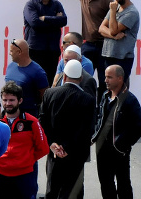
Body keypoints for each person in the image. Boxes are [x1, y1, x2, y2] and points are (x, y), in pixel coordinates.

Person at [40, 60, 95, 199]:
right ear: (81, 79)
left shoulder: (49, 94)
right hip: (76, 155)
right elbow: (86, 130)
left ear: (63, 77)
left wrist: (53, 144)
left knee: (52, 189)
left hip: (54, 153)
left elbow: (42, 122)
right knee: (72, 191)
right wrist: (67, 147)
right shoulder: (87, 99)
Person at [92, 65, 141, 199]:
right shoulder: (105, 95)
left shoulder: (130, 100)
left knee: (123, 184)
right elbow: (99, 118)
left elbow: (139, 128)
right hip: (102, 148)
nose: (105, 80)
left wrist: (122, 145)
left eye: (110, 77)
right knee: (105, 183)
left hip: (119, 151)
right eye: (105, 76)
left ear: (120, 78)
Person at [52, 0, 109, 95]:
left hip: (104, 45)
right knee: (82, 80)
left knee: (105, 81)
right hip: (88, 44)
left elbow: (117, 14)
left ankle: (101, 110)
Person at [0, 81, 49, 199]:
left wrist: (26, 159)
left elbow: (43, 148)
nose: (8, 103)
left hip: (25, 176)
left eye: (11, 100)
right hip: (0, 175)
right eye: (5, 100)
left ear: (20, 101)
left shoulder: (32, 121)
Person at [23, 0, 67, 83]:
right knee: (34, 82)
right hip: (35, 50)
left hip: (52, 51)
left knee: (50, 81)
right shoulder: (31, 4)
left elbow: (63, 21)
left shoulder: (56, 4)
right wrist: (55, 20)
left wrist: (45, 18)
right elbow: (35, 23)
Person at [99, 0, 140, 84]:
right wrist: (113, 37)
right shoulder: (115, 7)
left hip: (123, 58)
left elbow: (113, 30)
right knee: (107, 87)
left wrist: (112, 11)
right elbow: (101, 28)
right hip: (108, 55)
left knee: (120, 88)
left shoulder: (132, 12)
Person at [4, 38, 49, 117]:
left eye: (11, 51)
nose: (9, 53)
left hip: (28, 117)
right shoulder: (10, 67)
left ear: (19, 52)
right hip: (9, 116)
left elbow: (44, 97)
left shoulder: (38, 72)